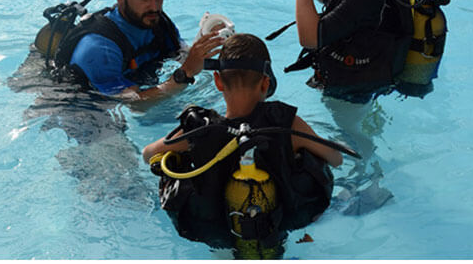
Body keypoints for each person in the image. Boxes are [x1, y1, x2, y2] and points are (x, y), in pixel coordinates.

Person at [142, 33, 343, 257]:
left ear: (218, 81)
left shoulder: (198, 130)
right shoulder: (286, 124)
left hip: (218, 236)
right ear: (266, 83)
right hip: (277, 230)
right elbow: (336, 158)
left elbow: (147, 154)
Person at [55, 0, 224, 108]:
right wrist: (185, 73)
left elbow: (182, 56)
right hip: (79, 105)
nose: (154, 6)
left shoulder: (158, 22)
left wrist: (203, 43)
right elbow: (136, 105)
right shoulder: (99, 48)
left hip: (135, 87)